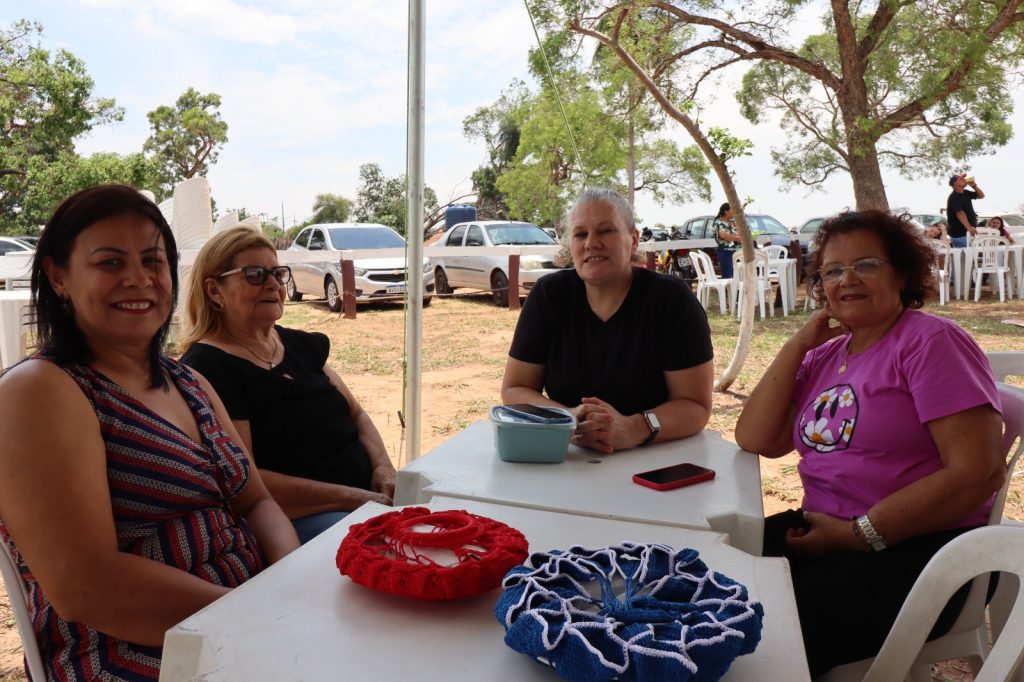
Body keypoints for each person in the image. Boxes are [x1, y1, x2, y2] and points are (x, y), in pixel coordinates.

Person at [0, 185, 299, 681]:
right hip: (138, 654)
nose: (139, 280)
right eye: (111, 263)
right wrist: (256, 619)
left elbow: (257, 502)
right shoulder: (39, 392)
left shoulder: (189, 381)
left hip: (251, 622)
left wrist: (291, 583)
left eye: (153, 262)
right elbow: (87, 587)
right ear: (58, 275)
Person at [734, 210, 1005, 677]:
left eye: (866, 264)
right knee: (711, 571)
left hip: (925, 552)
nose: (847, 280)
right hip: (827, 533)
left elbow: (977, 473)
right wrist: (797, 344)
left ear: (901, 272)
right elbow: (756, 438)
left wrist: (855, 534)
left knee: (753, 633)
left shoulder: (931, 343)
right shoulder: (827, 352)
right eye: (833, 270)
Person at [180, 227, 395, 544]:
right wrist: (354, 498)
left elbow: (357, 415)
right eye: (254, 274)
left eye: (277, 273)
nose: (273, 284)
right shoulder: (208, 368)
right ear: (214, 291)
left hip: (364, 500)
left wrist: (384, 469)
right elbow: (248, 481)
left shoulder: (300, 345)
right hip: (301, 520)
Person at [501, 188, 714, 454]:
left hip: (655, 459)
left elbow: (694, 406)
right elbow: (515, 389)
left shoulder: (671, 299)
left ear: (633, 239)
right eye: (580, 234)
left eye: (605, 230)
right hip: (569, 461)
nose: (591, 243)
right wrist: (568, 418)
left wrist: (633, 428)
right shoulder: (548, 295)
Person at [946, 173, 985, 247]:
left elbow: (981, 196)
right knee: (968, 256)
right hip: (960, 235)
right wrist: (969, 228)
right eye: (961, 179)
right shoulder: (954, 196)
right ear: (955, 183)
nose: (964, 179)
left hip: (966, 234)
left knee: (967, 257)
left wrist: (974, 186)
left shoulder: (965, 192)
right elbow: (959, 213)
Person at [712, 202, 741, 278]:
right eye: (732, 210)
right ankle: (726, 290)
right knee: (727, 274)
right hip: (725, 251)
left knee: (735, 273)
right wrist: (738, 238)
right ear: (726, 211)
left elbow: (736, 233)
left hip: (733, 250)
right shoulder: (719, 222)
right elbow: (724, 235)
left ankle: (735, 289)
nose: (734, 212)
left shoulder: (730, 222)